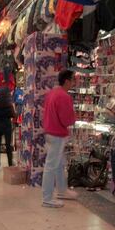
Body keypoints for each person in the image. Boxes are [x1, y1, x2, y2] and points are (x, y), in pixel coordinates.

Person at [42, 70, 77, 208]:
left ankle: (62, 190)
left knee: (59, 164)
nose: (74, 82)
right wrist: (73, 119)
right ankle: (47, 198)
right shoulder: (63, 96)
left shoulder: (52, 93)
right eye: (73, 79)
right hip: (57, 133)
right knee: (51, 166)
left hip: (51, 131)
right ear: (67, 80)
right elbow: (67, 119)